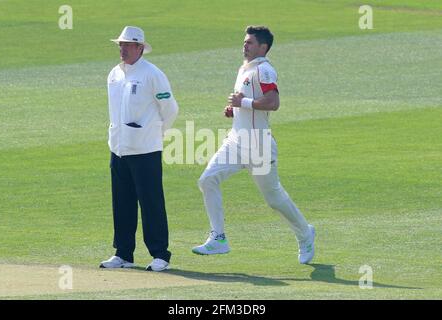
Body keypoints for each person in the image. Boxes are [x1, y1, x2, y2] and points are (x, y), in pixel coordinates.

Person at [193, 26, 315, 264]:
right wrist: (235, 108)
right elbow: (248, 104)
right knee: (207, 180)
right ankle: (218, 238)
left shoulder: (264, 70)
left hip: (258, 146)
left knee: (274, 198)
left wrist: (244, 102)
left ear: (263, 47)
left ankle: (305, 233)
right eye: (244, 41)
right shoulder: (244, 69)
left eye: (249, 42)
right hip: (236, 142)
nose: (244, 45)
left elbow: (273, 102)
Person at [100, 26, 178, 271]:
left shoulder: (152, 74)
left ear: (140, 48)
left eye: (127, 45)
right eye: (120, 44)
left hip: (146, 149)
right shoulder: (114, 74)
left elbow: (170, 109)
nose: (122, 49)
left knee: (151, 202)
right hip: (119, 148)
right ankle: (123, 253)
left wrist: (155, 133)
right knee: (122, 202)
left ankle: (160, 254)